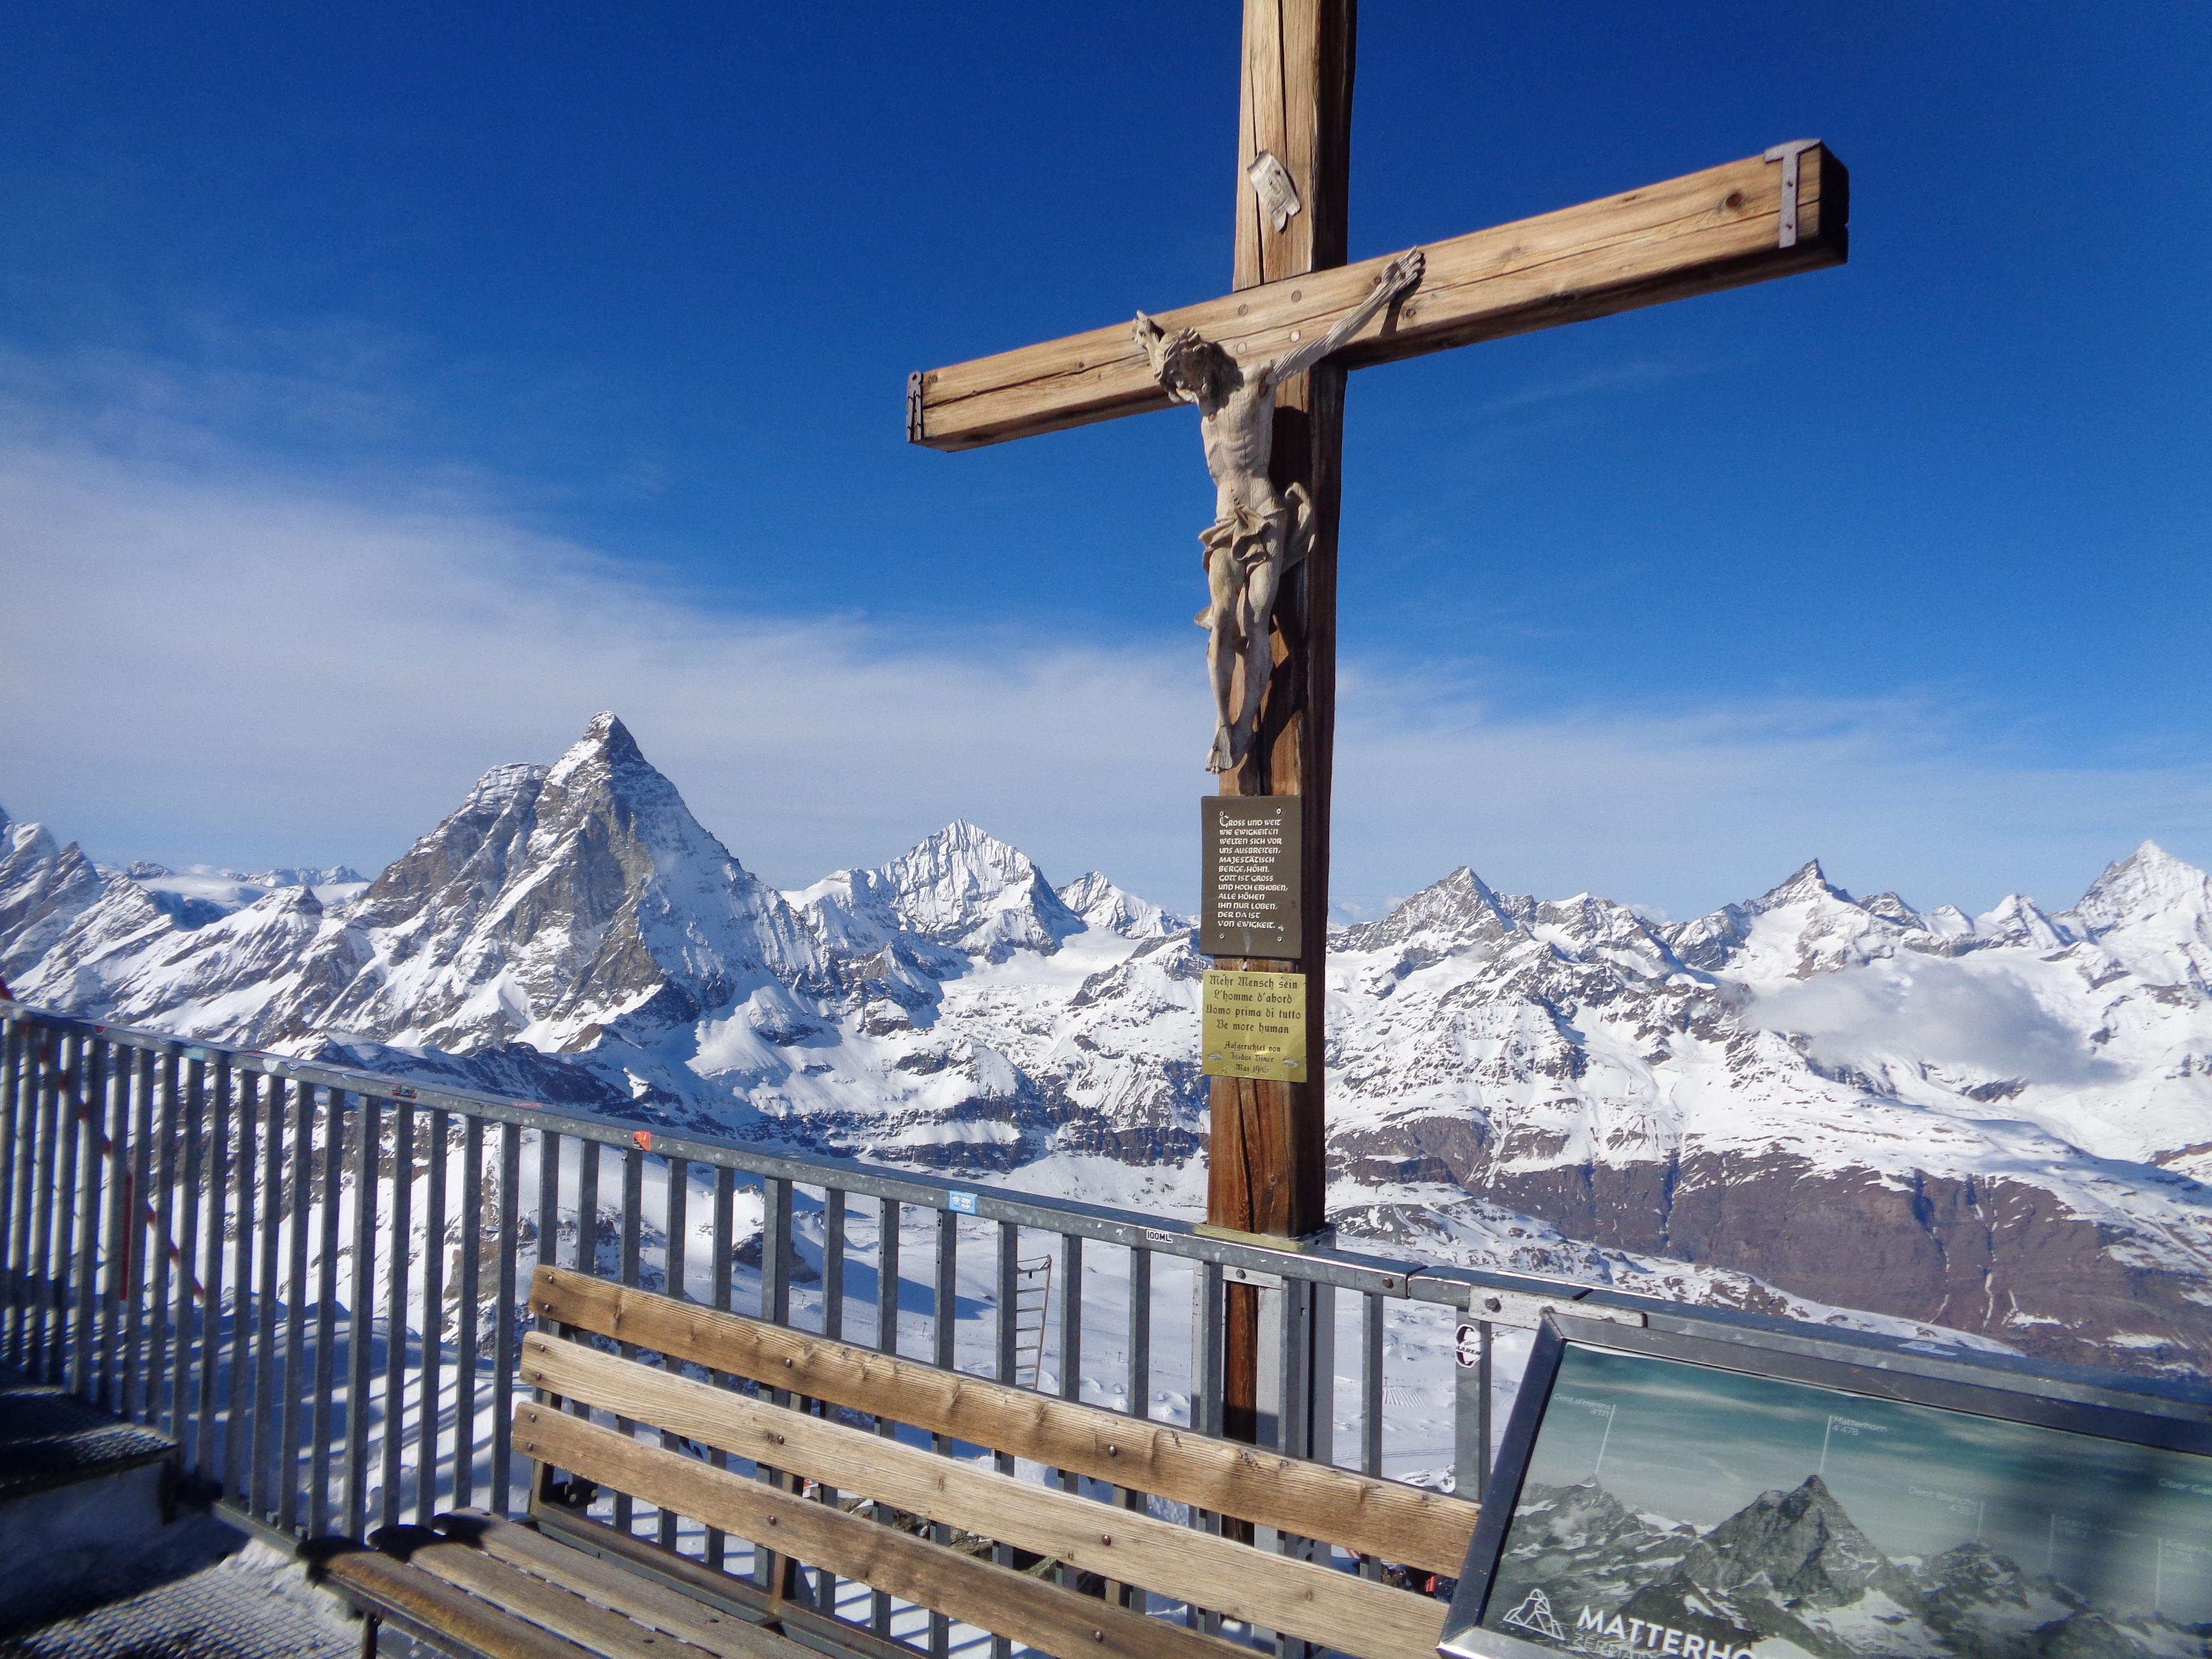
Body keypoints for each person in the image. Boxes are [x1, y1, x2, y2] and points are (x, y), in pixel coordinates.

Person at [1135, 248, 1425, 772]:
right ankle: (1225, 725)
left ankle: (1248, 722)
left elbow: (1325, 342)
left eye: (1187, 374)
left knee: (1258, 616)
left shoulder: (1255, 382)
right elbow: (1167, 378)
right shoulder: (1201, 403)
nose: (1187, 387)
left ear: (1202, 356)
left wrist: (1383, 294)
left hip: (1267, 515)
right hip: (1224, 523)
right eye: (1178, 381)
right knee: (1223, 620)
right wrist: (1151, 343)